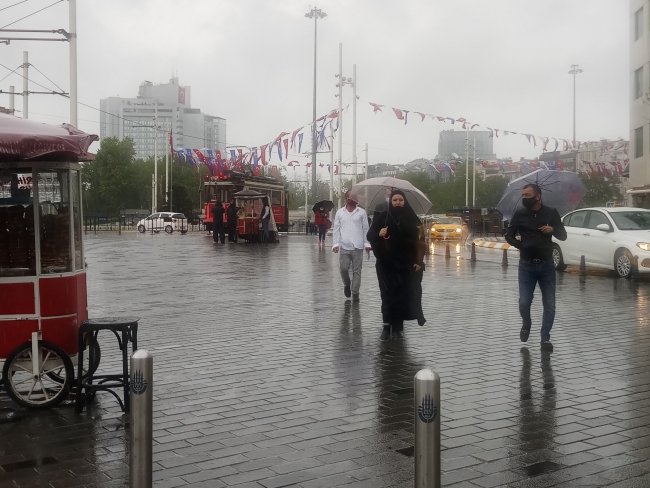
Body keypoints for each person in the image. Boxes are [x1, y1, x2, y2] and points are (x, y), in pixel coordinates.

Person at [505, 183, 567, 352]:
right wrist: (521, 245)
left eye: (528, 195)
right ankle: (526, 323)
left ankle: (545, 338)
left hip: (547, 265)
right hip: (526, 266)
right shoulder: (519, 214)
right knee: (524, 302)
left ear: (538, 196)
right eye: (523, 195)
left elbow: (563, 235)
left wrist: (552, 229)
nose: (524, 198)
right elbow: (509, 235)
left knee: (550, 303)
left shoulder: (551, 213)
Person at [368, 190, 426, 341]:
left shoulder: (412, 219)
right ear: (391, 201)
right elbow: (370, 235)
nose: (398, 203)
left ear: (404, 201)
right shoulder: (383, 217)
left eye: (400, 200)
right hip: (386, 265)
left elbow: (420, 241)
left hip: (405, 265)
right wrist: (379, 234)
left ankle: (398, 326)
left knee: (402, 295)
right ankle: (386, 326)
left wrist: (419, 261)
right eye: (395, 200)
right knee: (387, 295)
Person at [332, 191, 371, 302]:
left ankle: (355, 292)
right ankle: (347, 284)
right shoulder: (340, 212)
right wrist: (336, 244)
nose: (353, 200)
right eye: (351, 198)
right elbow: (336, 229)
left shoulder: (361, 212)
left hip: (358, 246)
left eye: (355, 198)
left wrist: (367, 243)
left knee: (357, 271)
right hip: (344, 245)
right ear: (346, 198)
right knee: (343, 269)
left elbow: (365, 229)